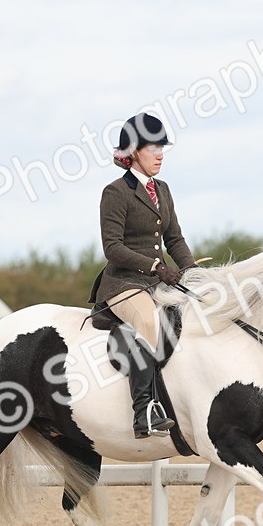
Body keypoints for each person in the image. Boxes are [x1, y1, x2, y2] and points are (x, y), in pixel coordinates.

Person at [90, 113, 197, 439]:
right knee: (150, 323)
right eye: (153, 147)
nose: (160, 154)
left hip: (158, 282)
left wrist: (193, 273)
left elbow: (174, 239)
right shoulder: (116, 193)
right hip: (123, 283)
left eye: (162, 147)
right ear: (134, 151)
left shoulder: (162, 190)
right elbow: (113, 247)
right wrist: (154, 266)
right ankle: (145, 410)